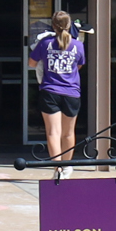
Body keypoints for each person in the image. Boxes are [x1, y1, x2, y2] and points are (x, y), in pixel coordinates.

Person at [29, 11, 85, 171]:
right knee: (68, 133)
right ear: (69, 25)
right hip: (72, 92)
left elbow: (31, 63)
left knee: (53, 133)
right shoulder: (78, 44)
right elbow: (79, 66)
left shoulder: (45, 43)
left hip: (50, 91)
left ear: (53, 26)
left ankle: (57, 168)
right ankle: (67, 167)